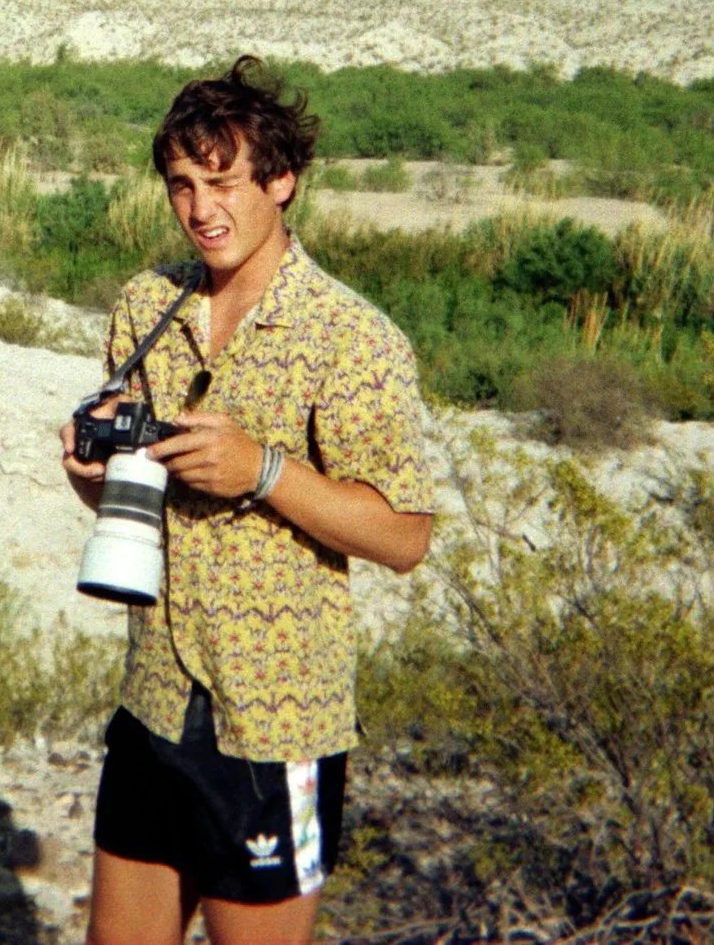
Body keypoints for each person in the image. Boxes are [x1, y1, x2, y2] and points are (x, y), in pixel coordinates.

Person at [58, 56, 434, 945]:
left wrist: (263, 470)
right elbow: (135, 501)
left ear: (282, 180)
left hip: (275, 722)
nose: (201, 209)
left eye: (223, 181)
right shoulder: (147, 306)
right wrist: (92, 475)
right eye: (182, 185)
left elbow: (405, 536)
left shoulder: (354, 338)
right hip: (153, 700)